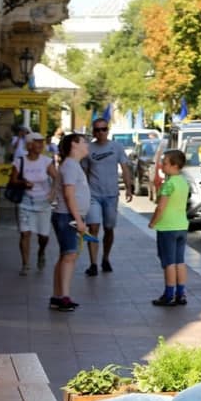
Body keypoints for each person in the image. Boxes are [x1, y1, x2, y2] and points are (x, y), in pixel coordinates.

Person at [81, 117, 135, 276]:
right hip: (93, 194)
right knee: (93, 227)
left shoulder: (116, 147)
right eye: (97, 130)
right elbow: (84, 172)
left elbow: (124, 168)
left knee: (109, 228)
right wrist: (82, 192)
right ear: (93, 132)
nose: (101, 133)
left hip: (111, 194)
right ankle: (93, 263)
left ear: (108, 130)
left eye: (103, 129)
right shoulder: (88, 149)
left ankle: (105, 258)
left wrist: (128, 187)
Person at [50, 133, 91, 311]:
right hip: (67, 217)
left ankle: (58, 295)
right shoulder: (71, 166)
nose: (87, 145)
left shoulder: (72, 165)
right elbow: (69, 194)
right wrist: (78, 220)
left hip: (69, 216)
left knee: (66, 256)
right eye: (84, 142)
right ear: (74, 145)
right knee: (69, 255)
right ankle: (64, 296)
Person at [149, 149, 191, 306]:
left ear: (175, 165)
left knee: (169, 262)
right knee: (180, 261)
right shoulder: (183, 182)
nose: (161, 166)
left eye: (165, 163)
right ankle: (181, 293)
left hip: (167, 227)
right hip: (181, 225)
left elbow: (160, 207)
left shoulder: (169, 184)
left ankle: (169, 294)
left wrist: (153, 222)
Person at [11, 132, 56, 275]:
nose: (40, 145)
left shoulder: (46, 161)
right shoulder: (20, 161)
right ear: (29, 144)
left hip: (43, 203)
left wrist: (52, 194)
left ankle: (41, 252)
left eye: (42, 142)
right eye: (37, 142)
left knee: (44, 236)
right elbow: (13, 180)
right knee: (25, 233)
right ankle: (25, 264)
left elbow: (57, 178)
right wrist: (24, 182)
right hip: (25, 202)